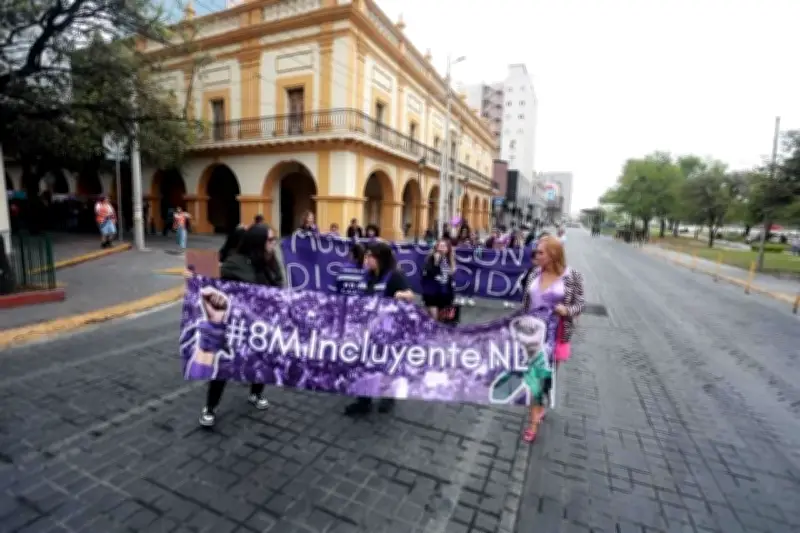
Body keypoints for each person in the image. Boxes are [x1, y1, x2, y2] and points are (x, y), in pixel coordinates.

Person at [198, 224, 282, 427]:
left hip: (261, 325)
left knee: (261, 361)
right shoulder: (234, 264)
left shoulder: (270, 262)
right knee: (225, 366)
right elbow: (210, 284)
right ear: (258, 242)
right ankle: (210, 407)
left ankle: (256, 394)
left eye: (274, 240)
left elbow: (279, 285)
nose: (274, 244)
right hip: (236, 326)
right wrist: (193, 278)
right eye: (270, 240)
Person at [520, 235, 585, 442]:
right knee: (535, 378)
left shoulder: (572, 276)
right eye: (535, 251)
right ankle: (538, 408)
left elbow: (580, 304)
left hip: (554, 335)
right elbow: (525, 302)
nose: (535, 255)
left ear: (553, 254)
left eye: (540, 252)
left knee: (541, 377)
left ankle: (534, 421)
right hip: (531, 333)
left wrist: (566, 309)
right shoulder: (533, 274)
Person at [344, 240, 414, 416]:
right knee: (364, 364)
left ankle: (388, 396)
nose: (366, 259)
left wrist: (401, 294)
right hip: (367, 329)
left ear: (380, 258)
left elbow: (410, 295)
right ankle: (364, 402)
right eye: (366, 255)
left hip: (388, 331)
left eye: (370, 256)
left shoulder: (394, 276)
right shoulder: (366, 275)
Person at [421, 238, 455, 320]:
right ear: (436, 247)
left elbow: (449, 279)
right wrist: (436, 263)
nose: (442, 248)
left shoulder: (448, 260)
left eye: (444, 246)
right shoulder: (430, 259)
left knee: (442, 319)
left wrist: (451, 297)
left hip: (444, 294)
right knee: (434, 319)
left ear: (448, 249)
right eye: (440, 246)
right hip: (431, 294)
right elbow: (427, 274)